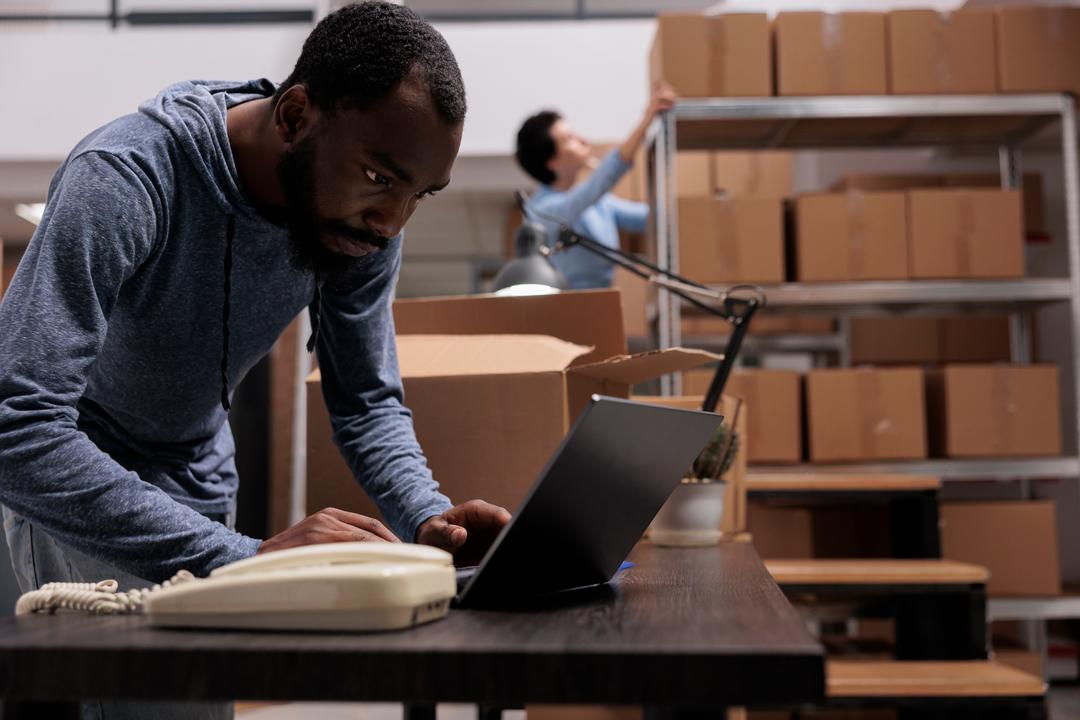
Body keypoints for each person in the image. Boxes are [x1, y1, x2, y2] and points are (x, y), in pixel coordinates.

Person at [0, 3, 510, 717]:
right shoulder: (124, 178)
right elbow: (18, 429)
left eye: (417, 194)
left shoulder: (362, 225)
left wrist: (430, 521)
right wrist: (243, 555)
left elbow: (364, 401)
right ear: (297, 114)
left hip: (199, 468)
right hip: (78, 476)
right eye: (377, 175)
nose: (392, 221)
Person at [513, 82, 676, 289]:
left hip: (604, 298)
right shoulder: (540, 212)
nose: (582, 140)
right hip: (573, 307)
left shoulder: (597, 203)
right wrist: (646, 120)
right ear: (553, 162)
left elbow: (647, 218)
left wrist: (693, 210)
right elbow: (596, 187)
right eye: (569, 139)